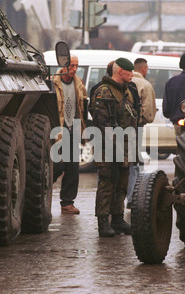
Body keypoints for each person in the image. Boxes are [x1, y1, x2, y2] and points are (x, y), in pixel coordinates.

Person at [91, 58, 138, 237]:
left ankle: (117, 219)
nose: (132, 75)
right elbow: (101, 122)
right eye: (130, 71)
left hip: (125, 147)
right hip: (108, 148)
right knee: (107, 183)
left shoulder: (126, 91)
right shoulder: (104, 92)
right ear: (120, 72)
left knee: (122, 183)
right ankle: (103, 221)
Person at [52, 55, 87, 214]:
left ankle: (67, 203)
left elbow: (82, 107)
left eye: (76, 66)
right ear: (64, 65)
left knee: (73, 167)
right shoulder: (53, 82)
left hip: (73, 128)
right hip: (57, 129)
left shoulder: (79, 83)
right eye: (71, 66)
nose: (74, 69)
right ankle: (42, 190)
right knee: (57, 166)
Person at [126, 58, 156, 209]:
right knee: (135, 162)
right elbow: (149, 112)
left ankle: (127, 196)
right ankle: (133, 198)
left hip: (121, 128)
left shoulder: (126, 81)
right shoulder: (145, 84)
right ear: (144, 69)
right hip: (137, 127)